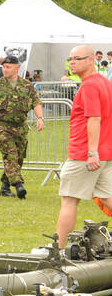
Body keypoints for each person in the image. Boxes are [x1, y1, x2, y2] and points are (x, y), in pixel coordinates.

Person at [54, 46, 112, 249]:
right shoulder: (105, 82)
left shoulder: (89, 86)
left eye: (77, 59)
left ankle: (57, 250)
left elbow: (94, 118)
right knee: (108, 198)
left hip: (85, 154)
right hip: (104, 153)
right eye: (70, 59)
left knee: (69, 200)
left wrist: (92, 152)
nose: (72, 62)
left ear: (90, 61)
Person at [0, 54, 44, 198]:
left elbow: (36, 102)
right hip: (3, 126)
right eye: (4, 67)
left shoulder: (27, 85)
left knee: (19, 157)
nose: (5, 70)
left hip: (20, 126)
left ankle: (5, 187)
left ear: (17, 68)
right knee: (10, 155)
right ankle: (18, 185)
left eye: (8, 67)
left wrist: (40, 118)